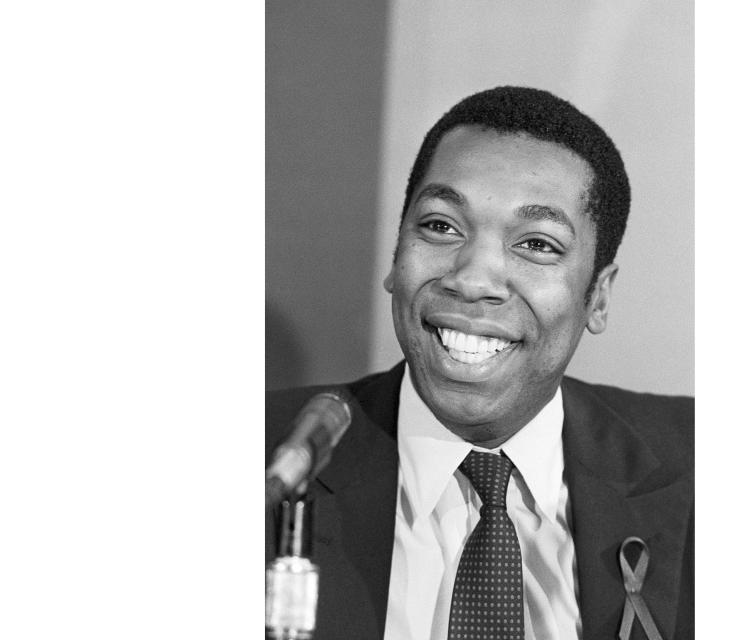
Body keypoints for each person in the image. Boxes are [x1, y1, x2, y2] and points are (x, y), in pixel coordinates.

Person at [266, 86, 693, 640]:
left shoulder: (698, 465)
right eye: (441, 226)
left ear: (599, 296)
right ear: (396, 256)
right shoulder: (270, 461)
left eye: (537, 244)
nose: (471, 279)